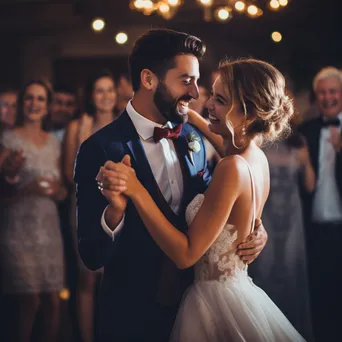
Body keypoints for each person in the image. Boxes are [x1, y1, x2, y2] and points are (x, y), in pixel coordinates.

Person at [74, 29, 267, 342]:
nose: (195, 93)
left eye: (196, 80)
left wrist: (254, 228)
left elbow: (218, 202)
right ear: (149, 79)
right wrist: (115, 213)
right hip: (131, 317)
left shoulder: (194, 137)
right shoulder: (100, 148)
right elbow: (91, 255)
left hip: (197, 312)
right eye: (185, 80)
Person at [102, 58, 306, 342]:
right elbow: (222, 137)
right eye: (211, 94)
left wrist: (136, 189)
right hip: (238, 289)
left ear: (246, 115)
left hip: (213, 302)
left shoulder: (231, 167)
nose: (207, 103)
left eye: (219, 100)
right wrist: (189, 115)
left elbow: (186, 255)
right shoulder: (256, 157)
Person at [0, 80, 66, 342]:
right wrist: (26, 189)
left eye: (40, 99)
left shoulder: (54, 143)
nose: (34, 104)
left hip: (49, 230)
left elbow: (62, 192)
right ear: (21, 103)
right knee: (30, 300)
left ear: (47, 106)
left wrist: (57, 189)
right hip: (18, 229)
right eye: (29, 98)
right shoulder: (7, 139)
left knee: (52, 301)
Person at [64, 69, 118, 342]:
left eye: (110, 89)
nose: (106, 96)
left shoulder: (123, 125)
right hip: (85, 208)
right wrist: (82, 138)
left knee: (114, 279)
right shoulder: (78, 126)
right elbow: (67, 174)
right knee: (87, 278)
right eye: (100, 90)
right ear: (91, 96)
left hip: (116, 211)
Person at [298, 66, 342, 342]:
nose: (328, 97)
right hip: (313, 229)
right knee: (319, 296)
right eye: (322, 92)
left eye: (333, 91)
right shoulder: (305, 131)